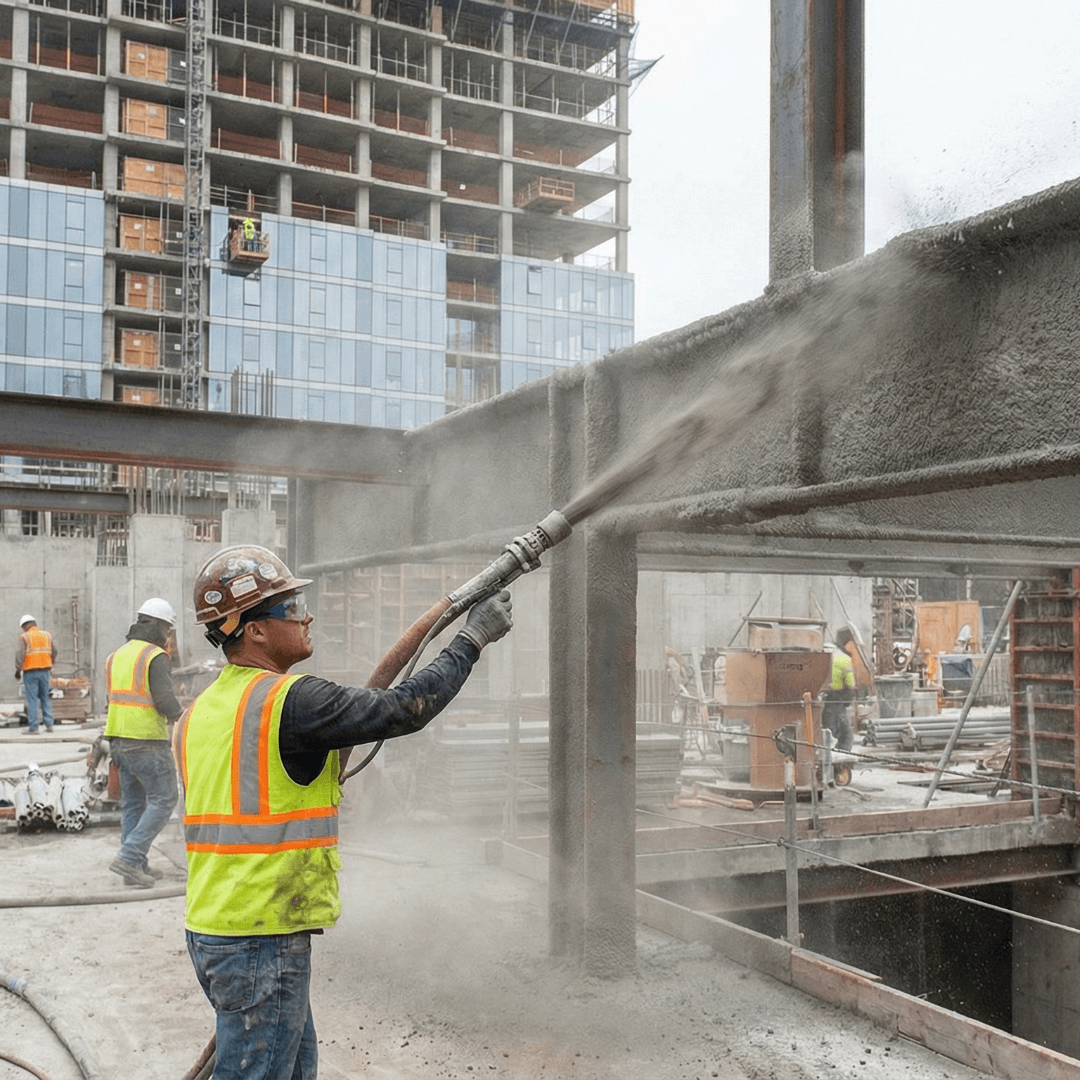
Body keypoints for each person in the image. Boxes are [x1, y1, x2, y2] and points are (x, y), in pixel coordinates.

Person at [174, 544, 513, 1079]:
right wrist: (471, 639)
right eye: (288, 608)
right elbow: (405, 708)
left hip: (218, 929)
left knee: (296, 1066)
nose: (304, 615)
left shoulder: (198, 714)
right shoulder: (290, 702)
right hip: (260, 937)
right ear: (254, 631)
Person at [105, 598, 182, 888]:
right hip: (146, 740)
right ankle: (129, 856)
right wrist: (185, 717)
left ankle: (134, 867)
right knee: (164, 800)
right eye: (168, 629)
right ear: (161, 626)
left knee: (134, 804)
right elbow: (164, 700)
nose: (168, 635)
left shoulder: (117, 655)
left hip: (118, 741)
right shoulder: (155, 656)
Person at [15, 614, 57, 734]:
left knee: (32, 699)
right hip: (45, 671)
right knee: (45, 698)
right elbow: (54, 651)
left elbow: (19, 656)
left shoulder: (24, 637)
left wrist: (18, 671)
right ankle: (49, 725)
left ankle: (34, 727)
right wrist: (50, 663)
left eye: (23, 627)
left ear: (27, 625)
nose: (23, 630)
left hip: (30, 672)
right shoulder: (47, 635)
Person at [821, 626, 857, 752]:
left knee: (825, 730)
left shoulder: (817, 656)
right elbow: (851, 684)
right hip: (836, 700)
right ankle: (840, 758)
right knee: (846, 735)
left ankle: (828, 755)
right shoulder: (844, 659)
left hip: (818, 699)